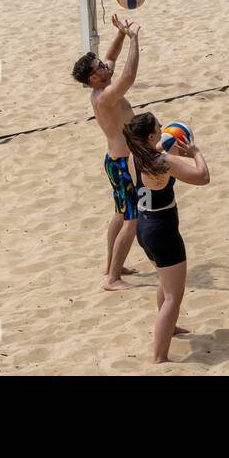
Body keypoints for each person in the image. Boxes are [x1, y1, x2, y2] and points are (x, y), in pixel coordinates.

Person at [122, 112, 210, 363]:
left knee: (165, 281)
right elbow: (203, 177)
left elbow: (156, 153)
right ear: (149, 136)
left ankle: (169, 328)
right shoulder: (163, 163)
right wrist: (196, 154)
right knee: (174, 296)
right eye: (158, 127)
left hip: (145, 228)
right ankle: (160, 356)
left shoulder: (134, 156)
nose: (162, 127)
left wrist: (168, 143)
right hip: (163, 232)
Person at [71, 16, 142, 290]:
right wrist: (135, 39)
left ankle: (113, 264)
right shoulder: (105, 95)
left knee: (119, 213)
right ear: (93, 78)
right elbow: (129, 76)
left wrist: (121, 35)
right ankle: (113, 279)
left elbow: (111, 57)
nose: (105, 65)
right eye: (99, 66)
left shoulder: (101, 81)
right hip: (124, 164)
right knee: (131, 220)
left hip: (116, 161)